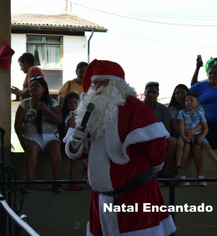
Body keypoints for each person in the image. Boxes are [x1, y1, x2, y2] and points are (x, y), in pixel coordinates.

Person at [64, 59, 176, 236]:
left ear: (117, 85)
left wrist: (152, 170)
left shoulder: (135, 108)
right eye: (95, 82)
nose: (98, 87)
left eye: (103, 82)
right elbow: (78, 152)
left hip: (135, 195)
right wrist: (75, 143)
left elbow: (157, 147)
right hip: (99, 199)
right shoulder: (88, 110)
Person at [14, 76, 63, 193]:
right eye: (31, 86)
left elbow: (59, 120)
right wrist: (22, 141)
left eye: (36, 86)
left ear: (44, 89)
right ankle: (30, 183)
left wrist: (45, 109)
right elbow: (17, 124)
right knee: (31, 149)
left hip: (50, 137)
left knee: (56, 147)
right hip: (31, 137)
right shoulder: (24, 104)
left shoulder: (52, 103)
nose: (32, 88)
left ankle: (56, 183)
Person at [175, 93, 217, 186]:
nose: (189, 103)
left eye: (191, 101)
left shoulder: (199, 113)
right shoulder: (182, 113)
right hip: (185, 136)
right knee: (181, 145)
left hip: (198, 135)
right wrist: (184, 137)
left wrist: (201, 137)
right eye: (187, 101)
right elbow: (181, 126)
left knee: (206, 146)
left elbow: (205, 128)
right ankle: (179, 169)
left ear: (197, 103)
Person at [168, 84, 205, 186]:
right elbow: (175, 124)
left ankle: (200, 176)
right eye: (177, 93)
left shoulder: (198, 106)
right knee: (186, 146)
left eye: (182, 92)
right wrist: (186, 134)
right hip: (180, 135)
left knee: (197, 147)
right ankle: (180, 175)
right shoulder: (173, 108)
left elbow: (203, 123)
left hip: (196, 134)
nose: (179, 95)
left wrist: (192, 132)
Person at [143, 82, 177, 180]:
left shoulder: (163, 109)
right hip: (141, 137)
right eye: (149, 92)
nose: (151, 95)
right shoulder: (138, 107)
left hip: (159, 137)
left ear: (158, 94)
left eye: (154, 92)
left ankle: (165, 171)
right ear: (144, 93)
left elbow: (167, 129)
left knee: (173, 141)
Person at [61, 92, 87, 191]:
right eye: (70, 103)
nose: (73, 105)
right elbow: (64, 135)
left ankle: (73, 181)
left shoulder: (82, 114)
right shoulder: (65, 116)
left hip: (80, 142)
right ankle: (85, 167)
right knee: (73, 150)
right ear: (66, 105)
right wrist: (68, 125)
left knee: (75, 150)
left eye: (75, 103)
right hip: (69, 142)